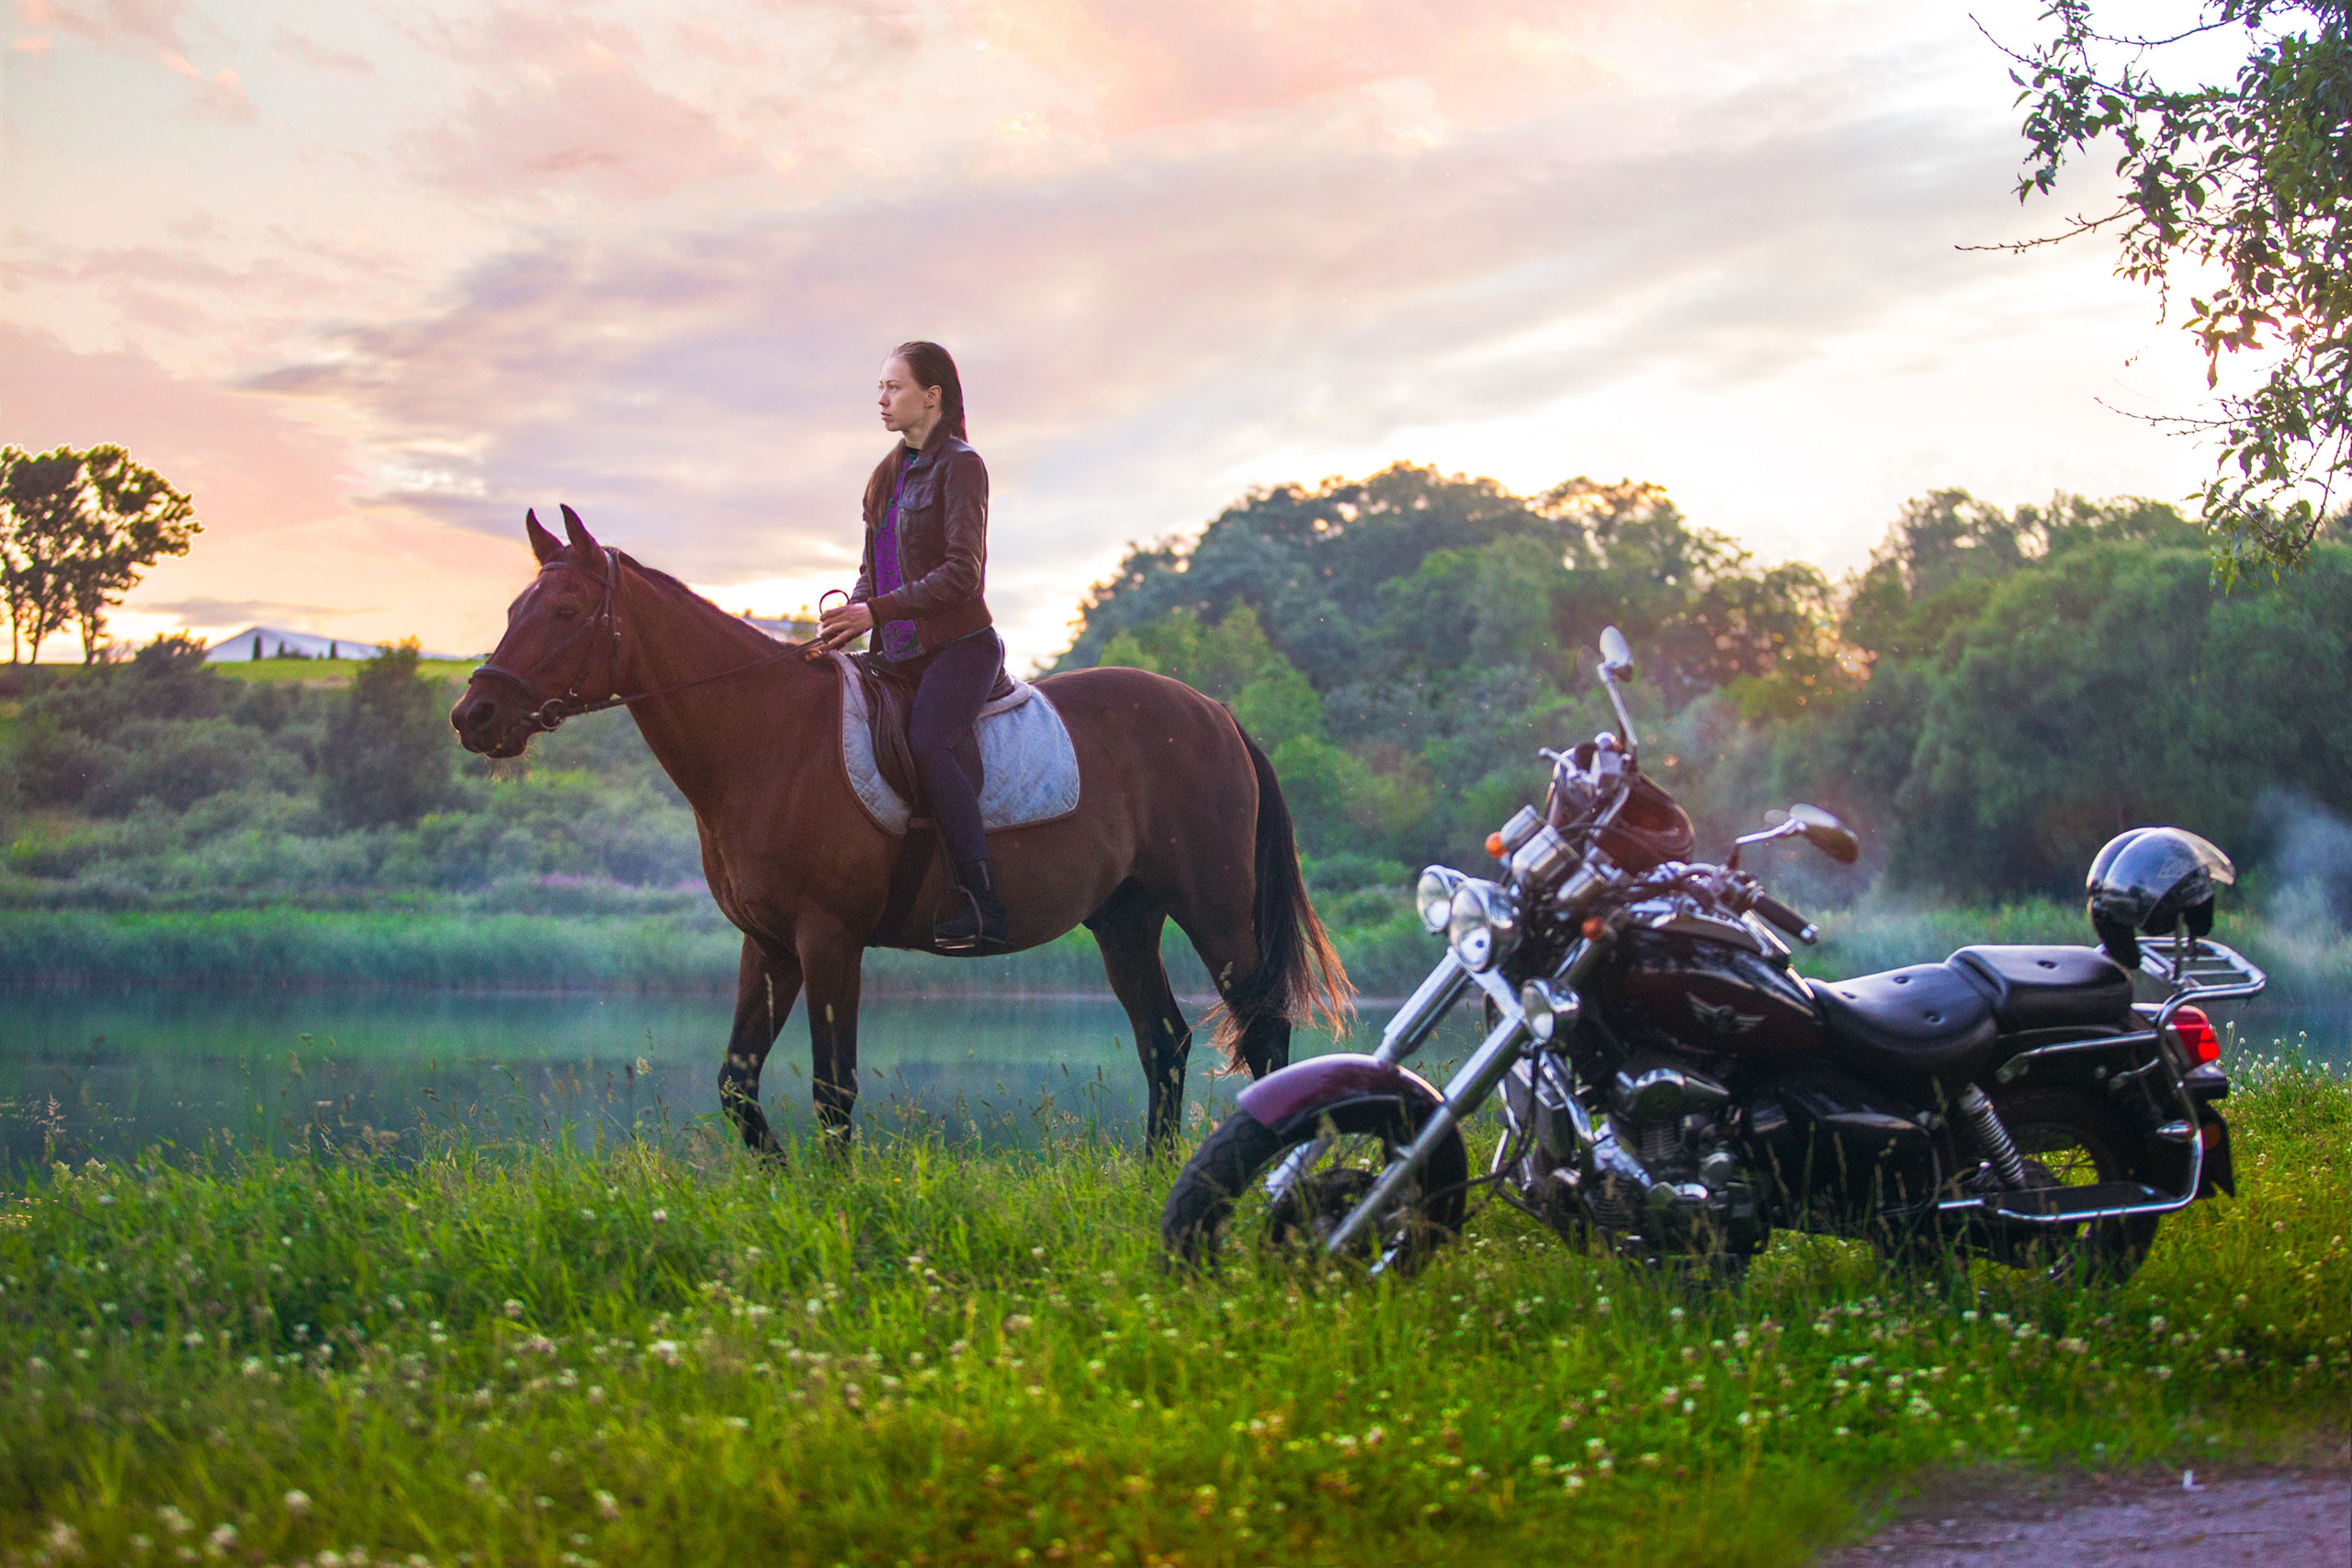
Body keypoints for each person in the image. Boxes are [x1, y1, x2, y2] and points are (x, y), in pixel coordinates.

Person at [813, 342, 1008, 953]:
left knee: (928, 740)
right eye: (879, 388)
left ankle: (982, 901)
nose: (882, 398)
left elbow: (961, 575)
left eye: (893, 387)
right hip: (894, 655)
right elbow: (873, 569)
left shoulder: (963, 465)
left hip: (961, 650)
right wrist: (851, 618)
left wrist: (877, 609)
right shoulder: (885, 474)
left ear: (933, 396)